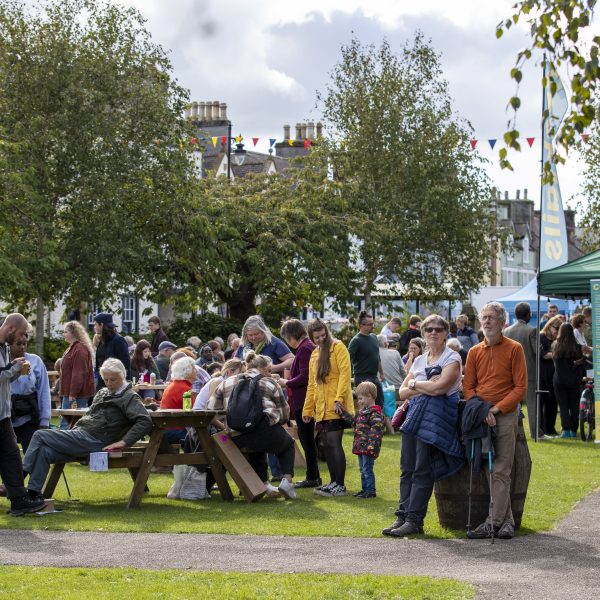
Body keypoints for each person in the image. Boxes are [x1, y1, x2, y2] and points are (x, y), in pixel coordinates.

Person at [23, 358, 153, 503]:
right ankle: (33, 494)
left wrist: (123, 442)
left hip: (94, 440)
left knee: (39, 434)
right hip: (80, 435)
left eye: (113, 380)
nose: (109, 383)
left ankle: (18, 478)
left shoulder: (129, 397)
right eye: (106, 379)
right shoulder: (102, 392)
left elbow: (145, 421)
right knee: (44, 452)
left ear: (123, 376)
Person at [383, 315, 464, 537]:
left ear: (446, 333)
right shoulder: (420, 360)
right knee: (407, 468)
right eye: (428, 329)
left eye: (439, 329)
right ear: (423, 333)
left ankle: (414, 520)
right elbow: (402, 391)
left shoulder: (452, 357)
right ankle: (402, 515)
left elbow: (442, 389)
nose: (433, 333)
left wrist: (416, 384)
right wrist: (427, 385)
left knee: (422, 469)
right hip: (415, 417)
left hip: (437, 419)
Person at [463, 302, 527, 540]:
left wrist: (497, 409)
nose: (487, 321)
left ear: (503, 322)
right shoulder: (474, 352)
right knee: (491, 470)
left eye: (492, 317)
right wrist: (483, 410)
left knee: (500, 469)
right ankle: (508, 521)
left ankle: (493, 522)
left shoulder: (514, 348)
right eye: (484, 317)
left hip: (506, 415)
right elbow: (467, 387)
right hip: (481, 416)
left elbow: (520, 386)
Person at [207, 352, 297, 500]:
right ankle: (287, 482)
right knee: (287, 444)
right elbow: (284, 414)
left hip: (235, 434)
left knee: (255, 448)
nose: (270, 373)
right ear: (261, 368)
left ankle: (262, 486)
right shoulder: (269, 382)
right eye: (269, 370)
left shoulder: (227, 382)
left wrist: (225, 428)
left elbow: (210, 410)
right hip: (264, 431)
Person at [235, 315, 294, 481]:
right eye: (250, 335)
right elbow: (235, 362)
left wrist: (274, 367)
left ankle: (277, 472)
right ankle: (259, 474)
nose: (253, 338)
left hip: (270, 390)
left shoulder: (273, 342)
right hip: (248, 394)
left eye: (256, 334)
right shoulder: (243, 346)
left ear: (263, 331)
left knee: (273, 427)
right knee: (254, 429)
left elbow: (291, 359)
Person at [0, 314, 47, 515]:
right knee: (10, 456)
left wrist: (15, 371)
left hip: (3, 414)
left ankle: (19, 500)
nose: (22, 340)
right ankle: (19, 499)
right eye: (20, 334)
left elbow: (4, 379)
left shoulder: (4, 348)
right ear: (10, 328)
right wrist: (14, 369)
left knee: (11, 457)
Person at [303, 318, 354, 497]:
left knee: (334, 443)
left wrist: (339, 399)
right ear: (311, 337)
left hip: (336, 405)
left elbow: (345, 375)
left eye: (323, 335)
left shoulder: (338, 347)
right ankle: (333, 482)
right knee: (325, 444)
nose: (320, 339)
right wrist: (308, 410)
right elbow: (312, 384)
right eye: (316, 337)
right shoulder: (314, 355)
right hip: (321, 407)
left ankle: (339, 485)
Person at [279, 319, 321, 488]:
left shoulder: (304, 349)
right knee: (308, 440)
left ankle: (312, 477)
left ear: (291, 336)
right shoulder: (308, 346)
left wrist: (286, 382)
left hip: (304, 400)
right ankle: (313, 476)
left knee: (307, 440)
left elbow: (305, 376)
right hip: (305, 399)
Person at [335, 381, 384, 499]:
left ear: (370, 396)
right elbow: (353, 423)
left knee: (367, 469)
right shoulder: (362, 413)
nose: (359, 401)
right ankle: (365, 489)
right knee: (362, 469)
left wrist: (371, 447)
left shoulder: (375, 414)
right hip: (360, 446)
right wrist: (342, 413)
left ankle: (371, 491)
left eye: (361, 399)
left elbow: (376, 432)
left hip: (368, 447)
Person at [503, 302, 542, 439]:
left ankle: (511, 432)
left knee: (512, 404)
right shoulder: (532, 330)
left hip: (510, 372)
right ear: (528, 314)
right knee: (532, 404)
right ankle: (535, 433)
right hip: (529, 372)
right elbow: (537, 351)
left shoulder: (506, 331)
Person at [10, 334, 51, 453]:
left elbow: (44, 391)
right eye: (18, 344)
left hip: (29, 417)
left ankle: (23, 472)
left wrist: (44, 420)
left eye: (25, 343)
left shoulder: (35, 361)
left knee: (35, 456)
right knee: (9, 459)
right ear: (9, 344)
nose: (22, 347)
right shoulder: (3, 362)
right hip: (6, 417)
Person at [58, 321, 95, 430]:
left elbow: (79, 373)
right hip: (70, 392)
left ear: (74, 333)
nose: (63, 334)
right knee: (70, 423)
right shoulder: (73, 347)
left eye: (66, 332)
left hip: (76, 394)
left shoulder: (79, 349)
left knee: (68, 424)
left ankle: (64, 446)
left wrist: (73, 393)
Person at [553, 323, 586, 438]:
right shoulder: (577, 347)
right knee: (574, 406)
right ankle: (573, 430)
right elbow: (581, 363)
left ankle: (565, 430)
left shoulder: (556, 346)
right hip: (574, 381)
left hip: (559, 380)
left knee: (563, 406)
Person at [348, 311, 385, 407]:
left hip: (374, 377)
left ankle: (379, 421)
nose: (372, 326)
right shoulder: (356, 341)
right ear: (361, 325)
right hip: (362, 377)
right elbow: (347, 360)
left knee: (380, 404)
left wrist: (381, 373)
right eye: (370, 324)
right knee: (366, 407)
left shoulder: (374, 337)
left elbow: (377, 357)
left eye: (373, 323)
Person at [160, 356, 197, 443]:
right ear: (187, 371)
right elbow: (191, 414)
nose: (196, 371)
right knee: (207, 436)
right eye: (194, 368)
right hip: (175, 431)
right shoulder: (184, 389)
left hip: (166, 429)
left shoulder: (173, 385)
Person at [93, 313, 131, 388]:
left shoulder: (119, 340)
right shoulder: (102, 341)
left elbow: (125, 365)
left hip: (116, 385)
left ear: (102, 325)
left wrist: (124, 386)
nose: (94, 327)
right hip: (102, 384)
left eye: (96, 324)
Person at [539, 316, 562, 436]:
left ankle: (551, 428)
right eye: (556, 328)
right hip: (542, 374)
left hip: (554, 373)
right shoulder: (541, 337)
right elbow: (542, 355)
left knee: (553, 402)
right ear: (549, 325)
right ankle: (542, 428)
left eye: (560, 329)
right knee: (542, 402)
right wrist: (557, 354)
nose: (557, 332)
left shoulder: (557, 340)